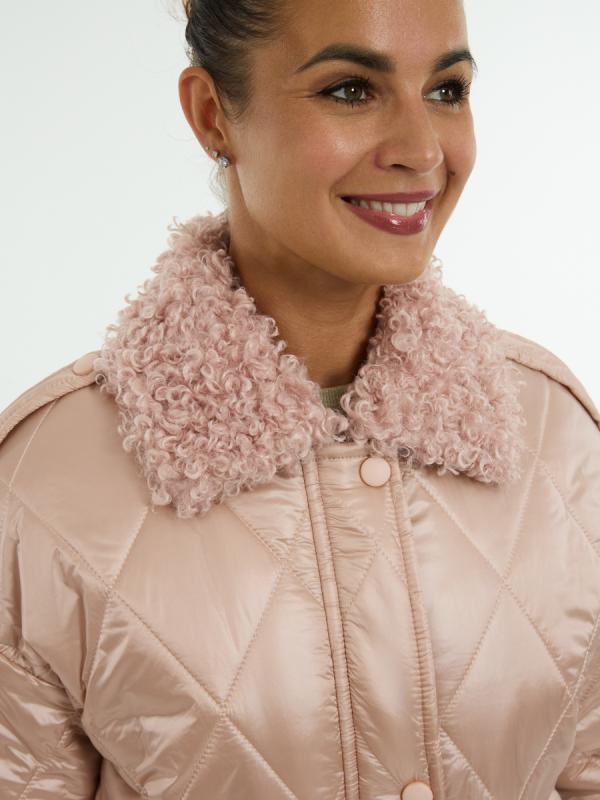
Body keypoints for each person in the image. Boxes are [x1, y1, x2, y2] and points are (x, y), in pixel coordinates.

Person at [1, 0, 599, 797]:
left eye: (447, 90)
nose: (423, 149)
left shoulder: (554, 433)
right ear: (212, 115)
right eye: (351, 89)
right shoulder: (45, 486)